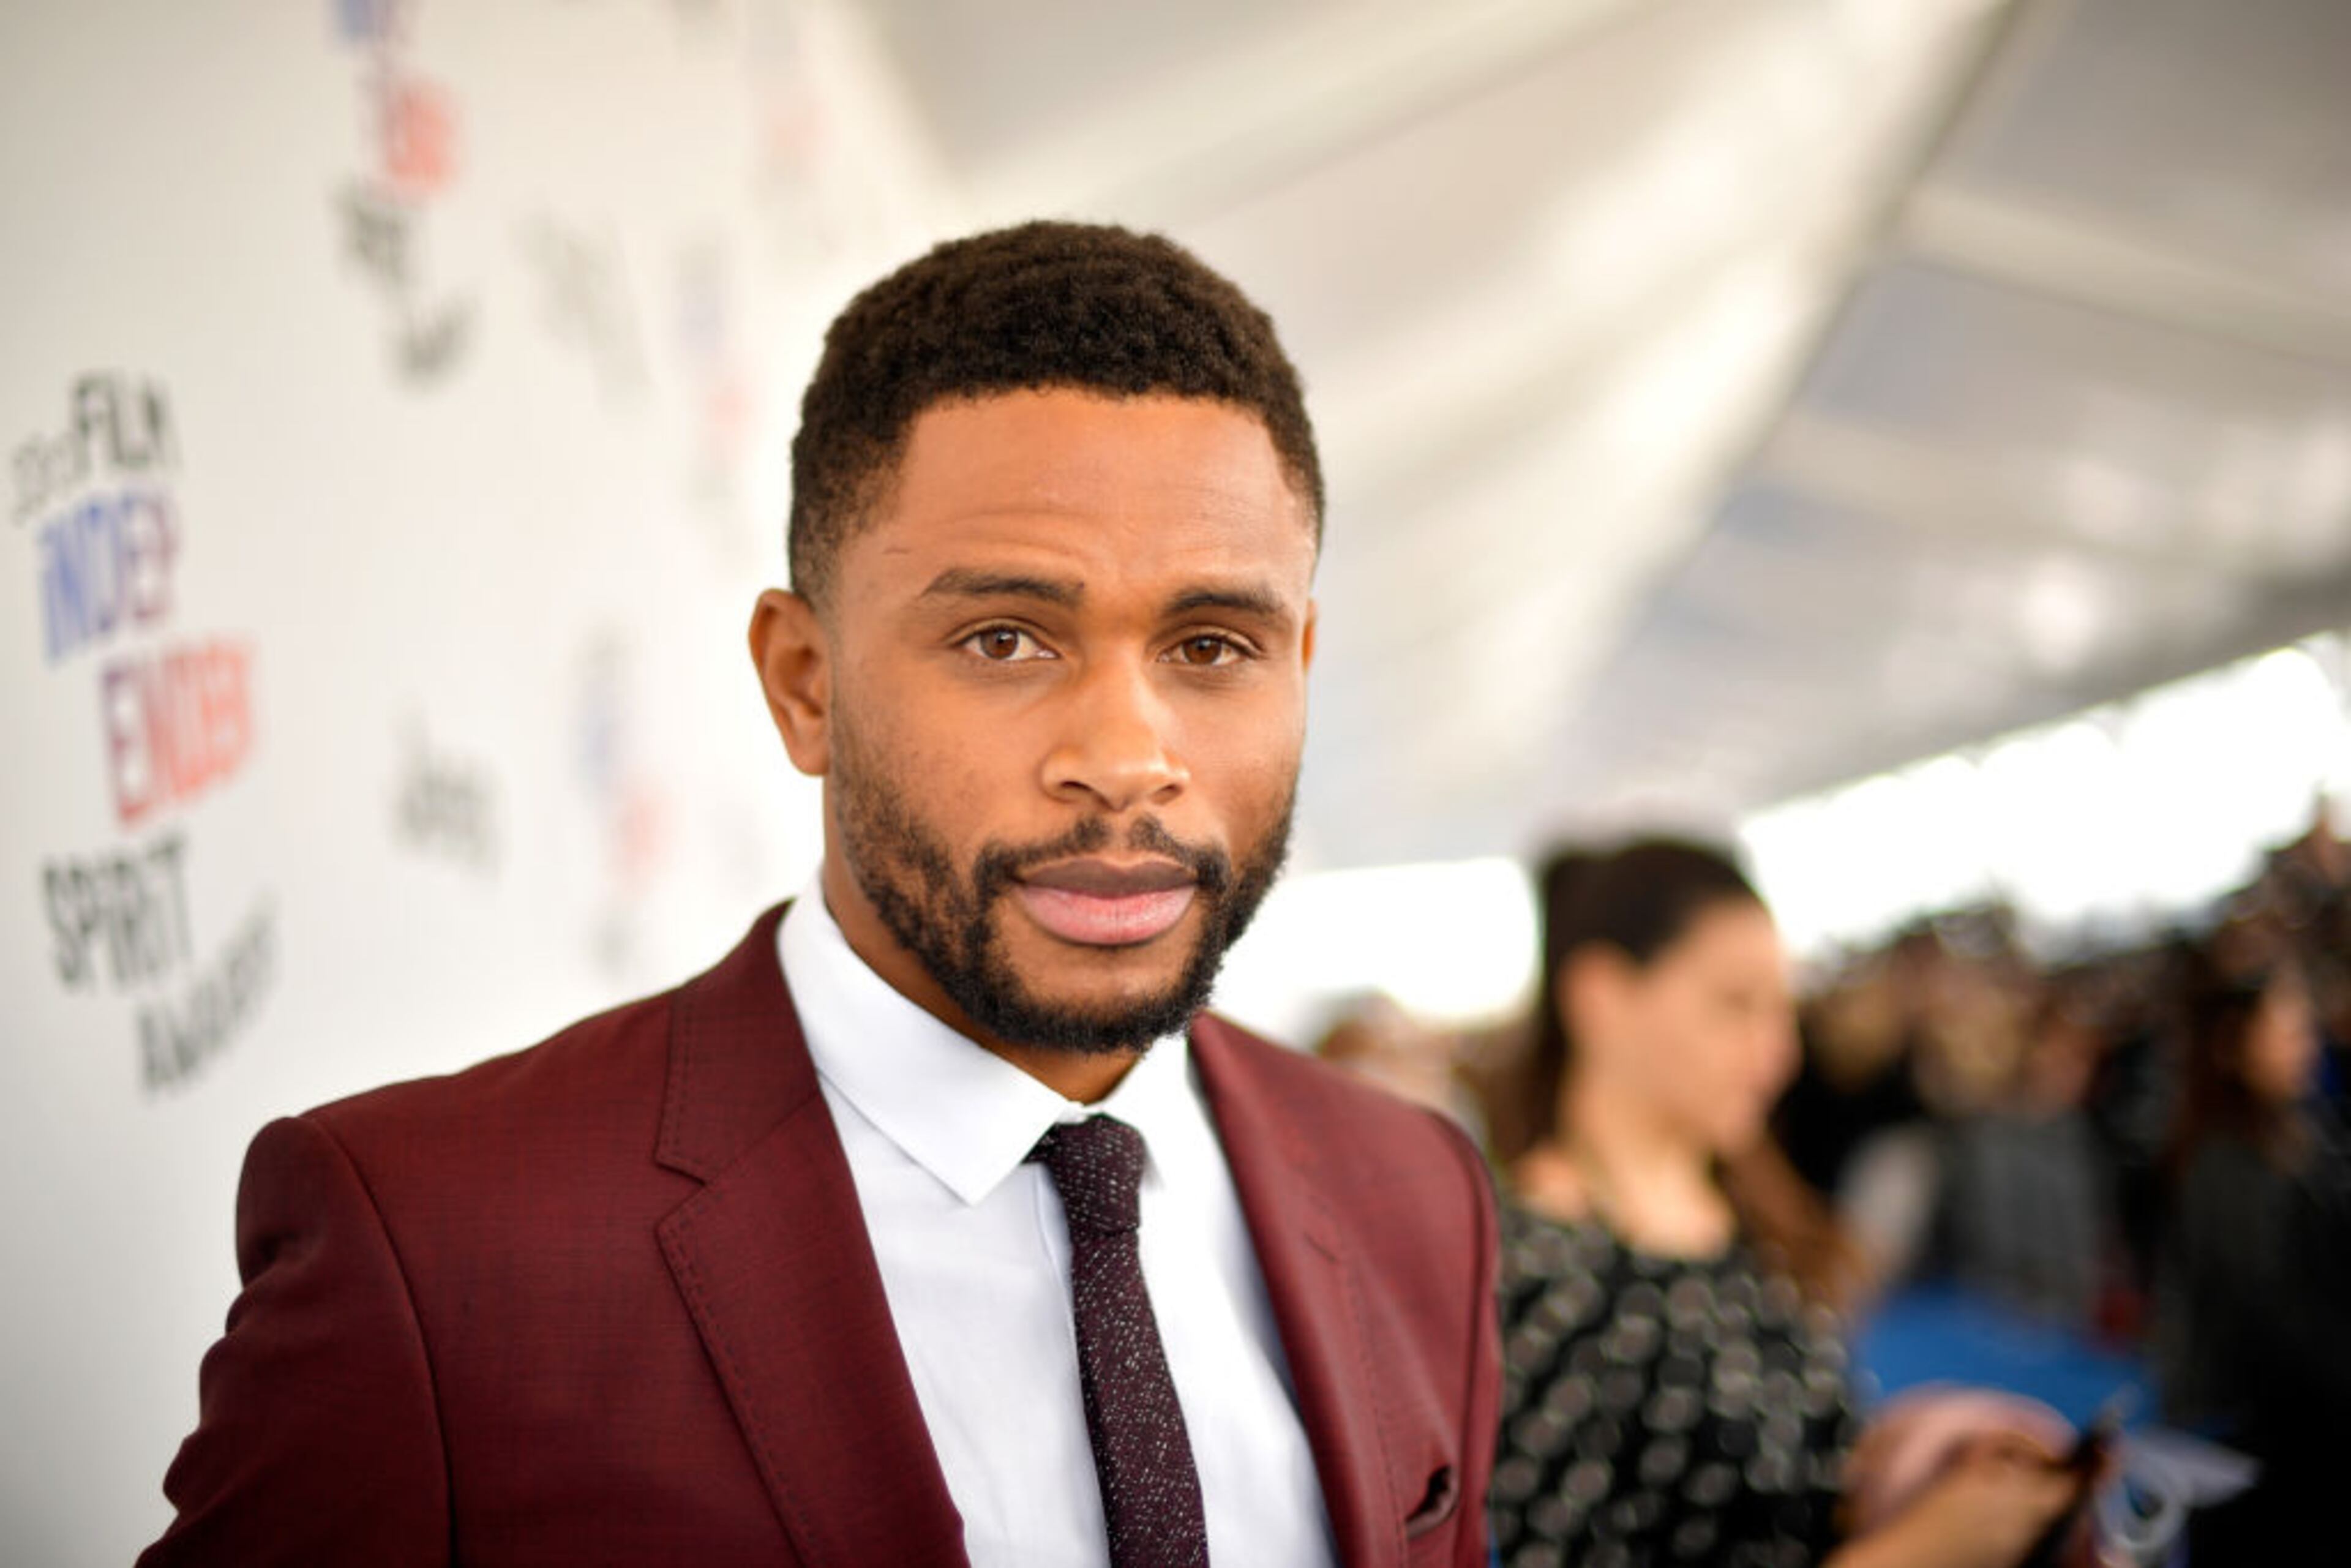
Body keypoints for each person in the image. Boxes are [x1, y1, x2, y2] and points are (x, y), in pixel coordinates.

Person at [140, 223, 1500, 1568]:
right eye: (1005, 639)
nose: (1127, 758)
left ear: (1300, 665)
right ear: (805, 683)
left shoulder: (1418, 1194)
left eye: (1212, 646)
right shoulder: (438, 1248)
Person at [1488, 841, 2082, 1568]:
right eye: (1735, 1005)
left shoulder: (1744, 1213)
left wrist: (1910, 1457)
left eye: (1781, 1011)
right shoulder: (1537, 1265)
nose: (1777, 1052)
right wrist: (1917, 1551)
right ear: (1601, 997)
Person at [2153, 949, 2351, 1558]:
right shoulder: (2223, 1168)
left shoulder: (2309, 1139)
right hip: (2260, 1443)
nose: (2305, 1046)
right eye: (2287, 1029)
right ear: (2234, 1042)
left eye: (2307, 1029)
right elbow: (2268, 1316)